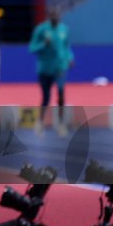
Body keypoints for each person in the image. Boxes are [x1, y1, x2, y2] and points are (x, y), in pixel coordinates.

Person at [29, 8, 74, 136]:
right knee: (46, 97)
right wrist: (43, 44)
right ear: (49, 16)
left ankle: (60, 123)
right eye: (53, 15)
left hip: (60, 68)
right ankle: (40, 122)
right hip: (44, 69)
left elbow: (66, 47)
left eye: (57, 15)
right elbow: (32, 48)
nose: (56, 17)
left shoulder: (64, 29)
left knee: (61, 95)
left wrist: (70, 58)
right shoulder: (41, 29)